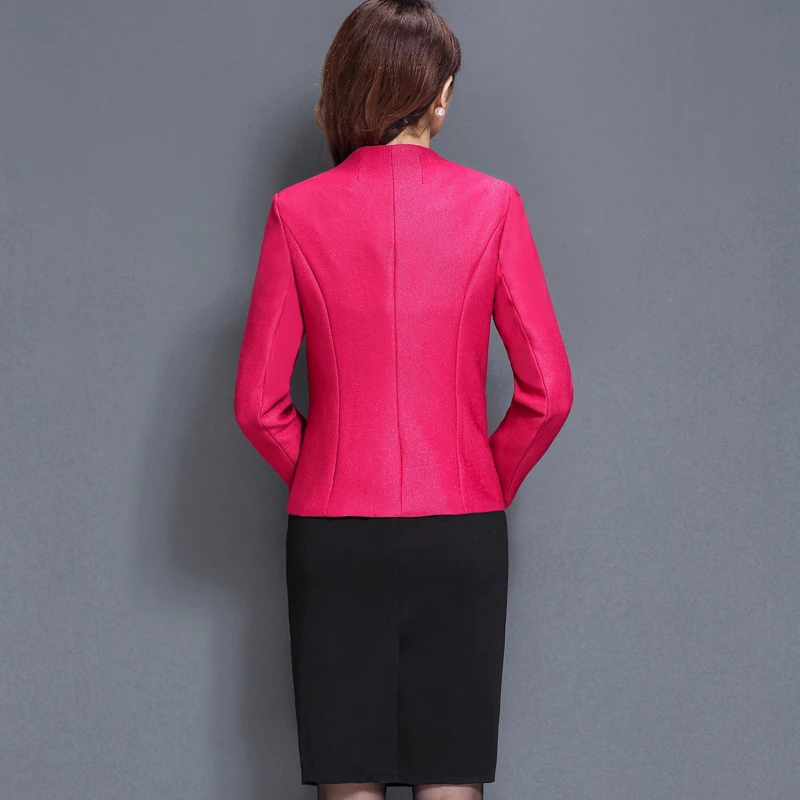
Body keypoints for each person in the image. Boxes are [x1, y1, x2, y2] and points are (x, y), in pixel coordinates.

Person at [233, 0, 574, 797]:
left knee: (347, 778)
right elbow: (548, 394)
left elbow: (257, 404)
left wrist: (326, 475)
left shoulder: (296, 212)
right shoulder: (494, 206)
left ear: (348, 87)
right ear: (439, 94)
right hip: (461, 531)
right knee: (451, 778)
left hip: (333, 537)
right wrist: (480, 480)